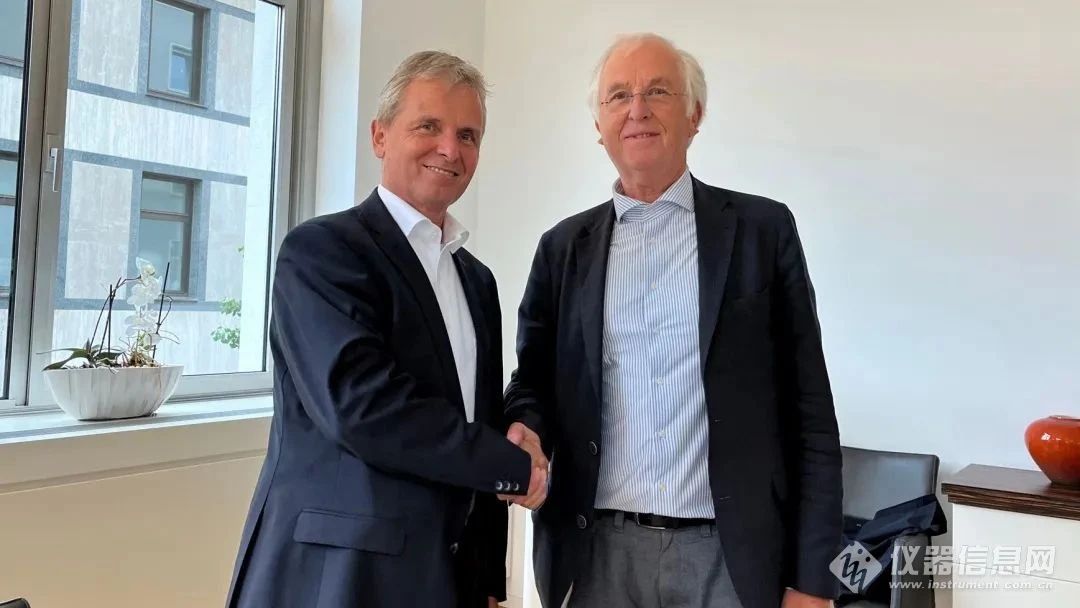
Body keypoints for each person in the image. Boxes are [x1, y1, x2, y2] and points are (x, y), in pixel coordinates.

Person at [505, 33, 843, 608]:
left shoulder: (763, 232)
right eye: (619, 96)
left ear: (695, 115)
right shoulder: (561, 249)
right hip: (595, 555)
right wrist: (525, 430)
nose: (637, 109)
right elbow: (532, 382)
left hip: (732, 559)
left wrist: (815, 580)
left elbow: (811, 415)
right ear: (599, 125)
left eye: (658, 92)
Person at [227, 50, 548, 608]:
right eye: (428, 126)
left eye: (468, 135)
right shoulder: (322, 251)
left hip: (442, 579)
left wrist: (485, 580)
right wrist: (509, 466)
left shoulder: (477, 281)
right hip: (337, 577)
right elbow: (362, 406)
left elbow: (477, 418)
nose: (450, 149)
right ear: (380, 136)